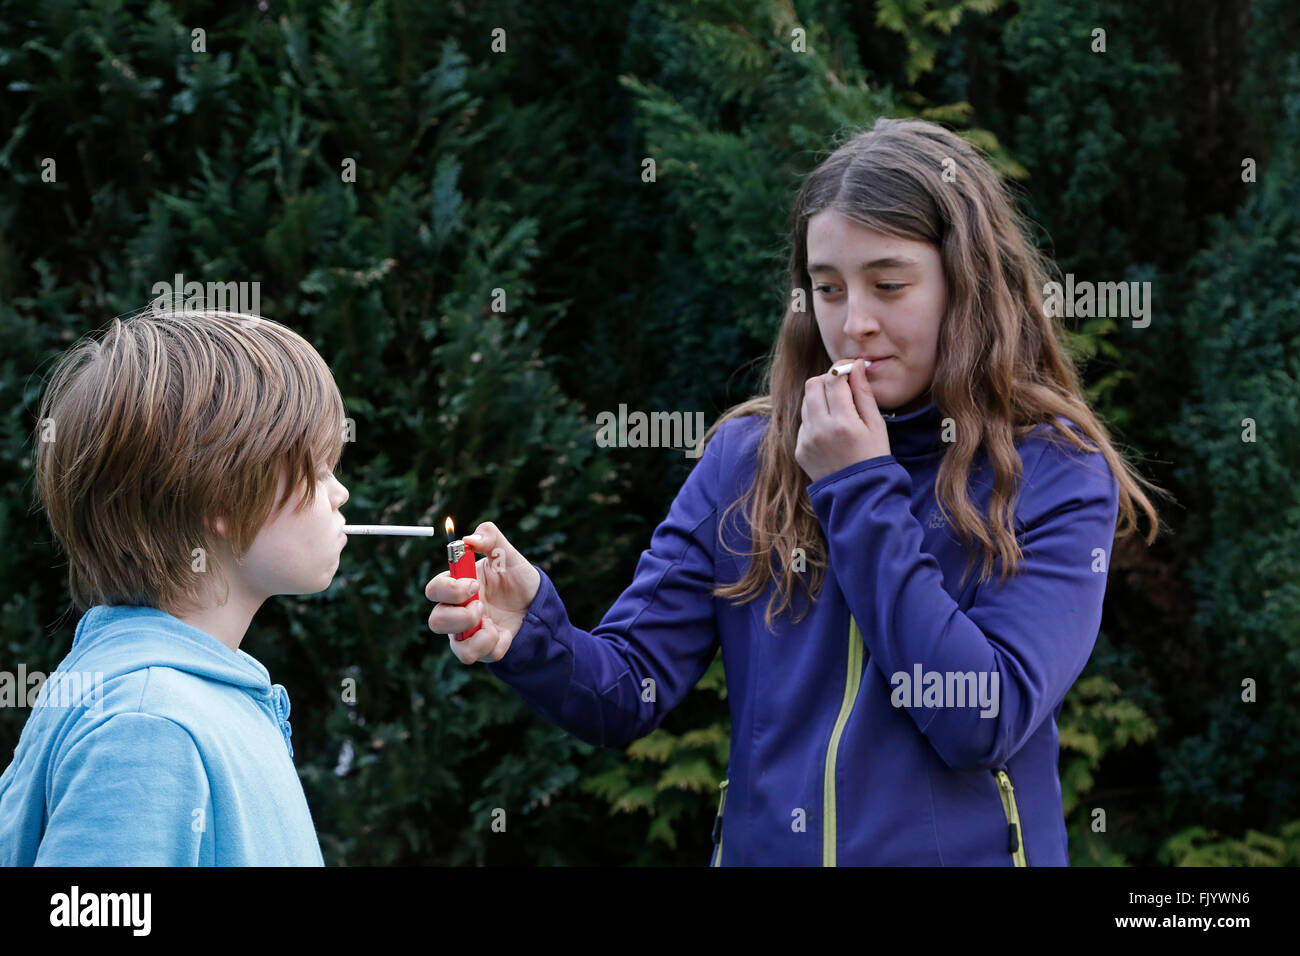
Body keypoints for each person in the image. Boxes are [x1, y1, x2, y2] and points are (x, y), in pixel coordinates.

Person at [424, 116, 1166, 866]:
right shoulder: (747, 457)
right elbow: (628, 693)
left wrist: (856, 486)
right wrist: (532, 636)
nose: (855, 324)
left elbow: (979, 718)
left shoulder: (1054, 471)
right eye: (828, 289)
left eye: (889, 284)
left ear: (967, 282)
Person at [0, 308, 349, 865]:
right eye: (322, 467)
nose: (340, 494)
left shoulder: (190, 699)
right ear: (224, 502)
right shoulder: (149, 728)